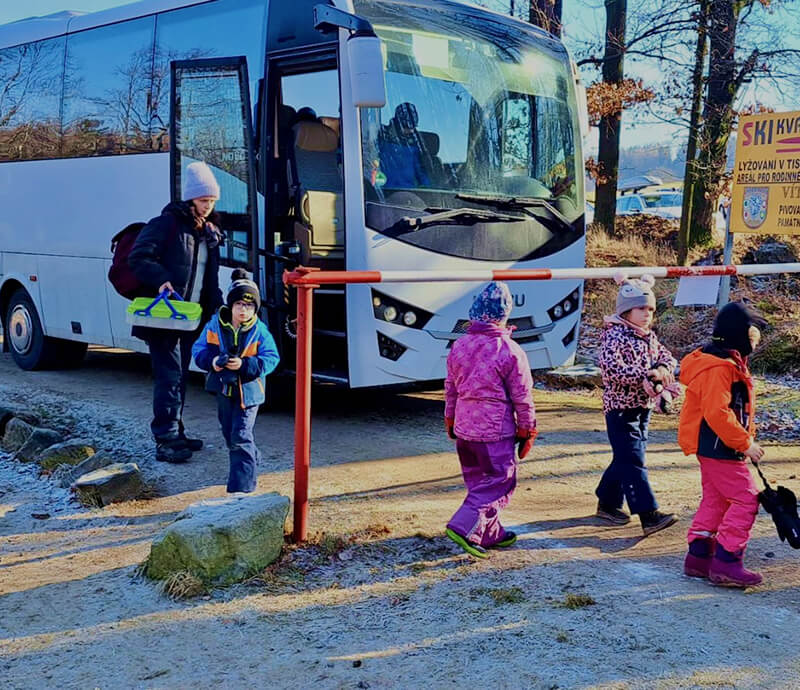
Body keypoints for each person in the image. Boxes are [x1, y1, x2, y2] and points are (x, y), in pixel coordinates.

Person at [129, 161, 224, 463]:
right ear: (190, 199)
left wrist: (218, 307)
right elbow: (138, 257)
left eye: (212, 201)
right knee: (169, 377)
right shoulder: (166, 224)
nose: (208, 206)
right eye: (203, 200)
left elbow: (208, 278)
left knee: (179, 376)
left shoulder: (208, 232)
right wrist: (160, 279)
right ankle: (166, 438)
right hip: (164, 316)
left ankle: (176, 431)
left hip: (188, 317)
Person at [443, 281, 536, 558]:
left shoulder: (459, 345)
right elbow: (522, 396)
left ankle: (489, 532)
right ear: (505, 315)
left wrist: (449, 417)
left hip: (464, 429)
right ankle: (463, 526)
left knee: (479, 482)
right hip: (494, 432)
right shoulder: (509, 350)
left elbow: (451, 387)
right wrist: (527, 429)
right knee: (500, 481)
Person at [679, 302, 766, 587]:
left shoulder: (724, 361)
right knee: (746, 499)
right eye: (753, 336)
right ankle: (728, 560)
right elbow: (717, 413)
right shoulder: (719, 367)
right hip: (720, 447)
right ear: (739, 335)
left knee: (716, 499)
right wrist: (744, 443)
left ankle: (699, 556)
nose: (756, 342)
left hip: (714, 446)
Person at [595, 274, 678, 536]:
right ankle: (648, 515)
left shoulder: (648, 337)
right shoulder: (614, 336)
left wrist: (662, 369)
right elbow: (612, 370)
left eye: (650, 309)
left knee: (627, 456)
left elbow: (668, 358)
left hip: (643, 407)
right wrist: (644, 376)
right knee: (633, 459)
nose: (646, 314)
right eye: (641, 308)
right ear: (625, 310)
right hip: (620, 409)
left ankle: (608, 501)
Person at [192, 269, 279, 493]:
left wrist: (244, 365)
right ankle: (251, 459)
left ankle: (242, 490)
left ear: (255, 309)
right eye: (239, 304)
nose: (243, 310)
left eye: (249, 306)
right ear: (230, 305)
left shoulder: (260, 331)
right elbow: (198, 349)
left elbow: (272, 359)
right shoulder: (214, 325)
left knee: (240, 436)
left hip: (249, 394)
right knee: (230, 434)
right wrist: (213, 362)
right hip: (223, 389)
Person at [377, 102, 430, 189]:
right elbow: (373, 165)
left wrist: (427, 189)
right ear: (398, 123)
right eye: (407, 127)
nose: (411, 131)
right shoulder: (382, 138)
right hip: (384, 192)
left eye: (413, 127)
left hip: (409, 193)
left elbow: (421, 172)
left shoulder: (416, 144)